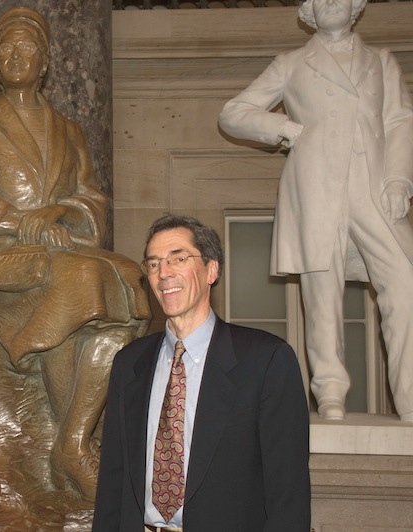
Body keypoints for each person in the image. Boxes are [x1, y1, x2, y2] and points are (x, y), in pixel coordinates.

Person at [0, 7, 149, 501]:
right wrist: (17, 221)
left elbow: (93, 199)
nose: (16, 55)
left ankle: (71, 441)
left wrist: (59, 215)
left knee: (127, 280)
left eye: (26, 46)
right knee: (83, 280)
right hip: (2, 263)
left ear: (47, 59)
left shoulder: (70, 130)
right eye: (5, 47)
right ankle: (72, 451)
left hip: (60, 252)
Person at [218, 0, 413, 421]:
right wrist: (285, 128)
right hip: (315, 186)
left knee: (404, 281)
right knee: (321, 292)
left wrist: (399, 179)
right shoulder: (291, 63)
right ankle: (331, 394)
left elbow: (400, 121)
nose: (330, 4)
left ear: (356, 7)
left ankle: (410, 397)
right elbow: (233, 112)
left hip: (372, 187)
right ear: (308, 12)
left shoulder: (380, 61)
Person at [93, 215, 310, 531]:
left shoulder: (266, 361)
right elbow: (113, 482)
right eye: (153, 264)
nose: (163, 273)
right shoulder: (130, 364)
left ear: (212, 269)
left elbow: (288, 494)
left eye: (178, 258)